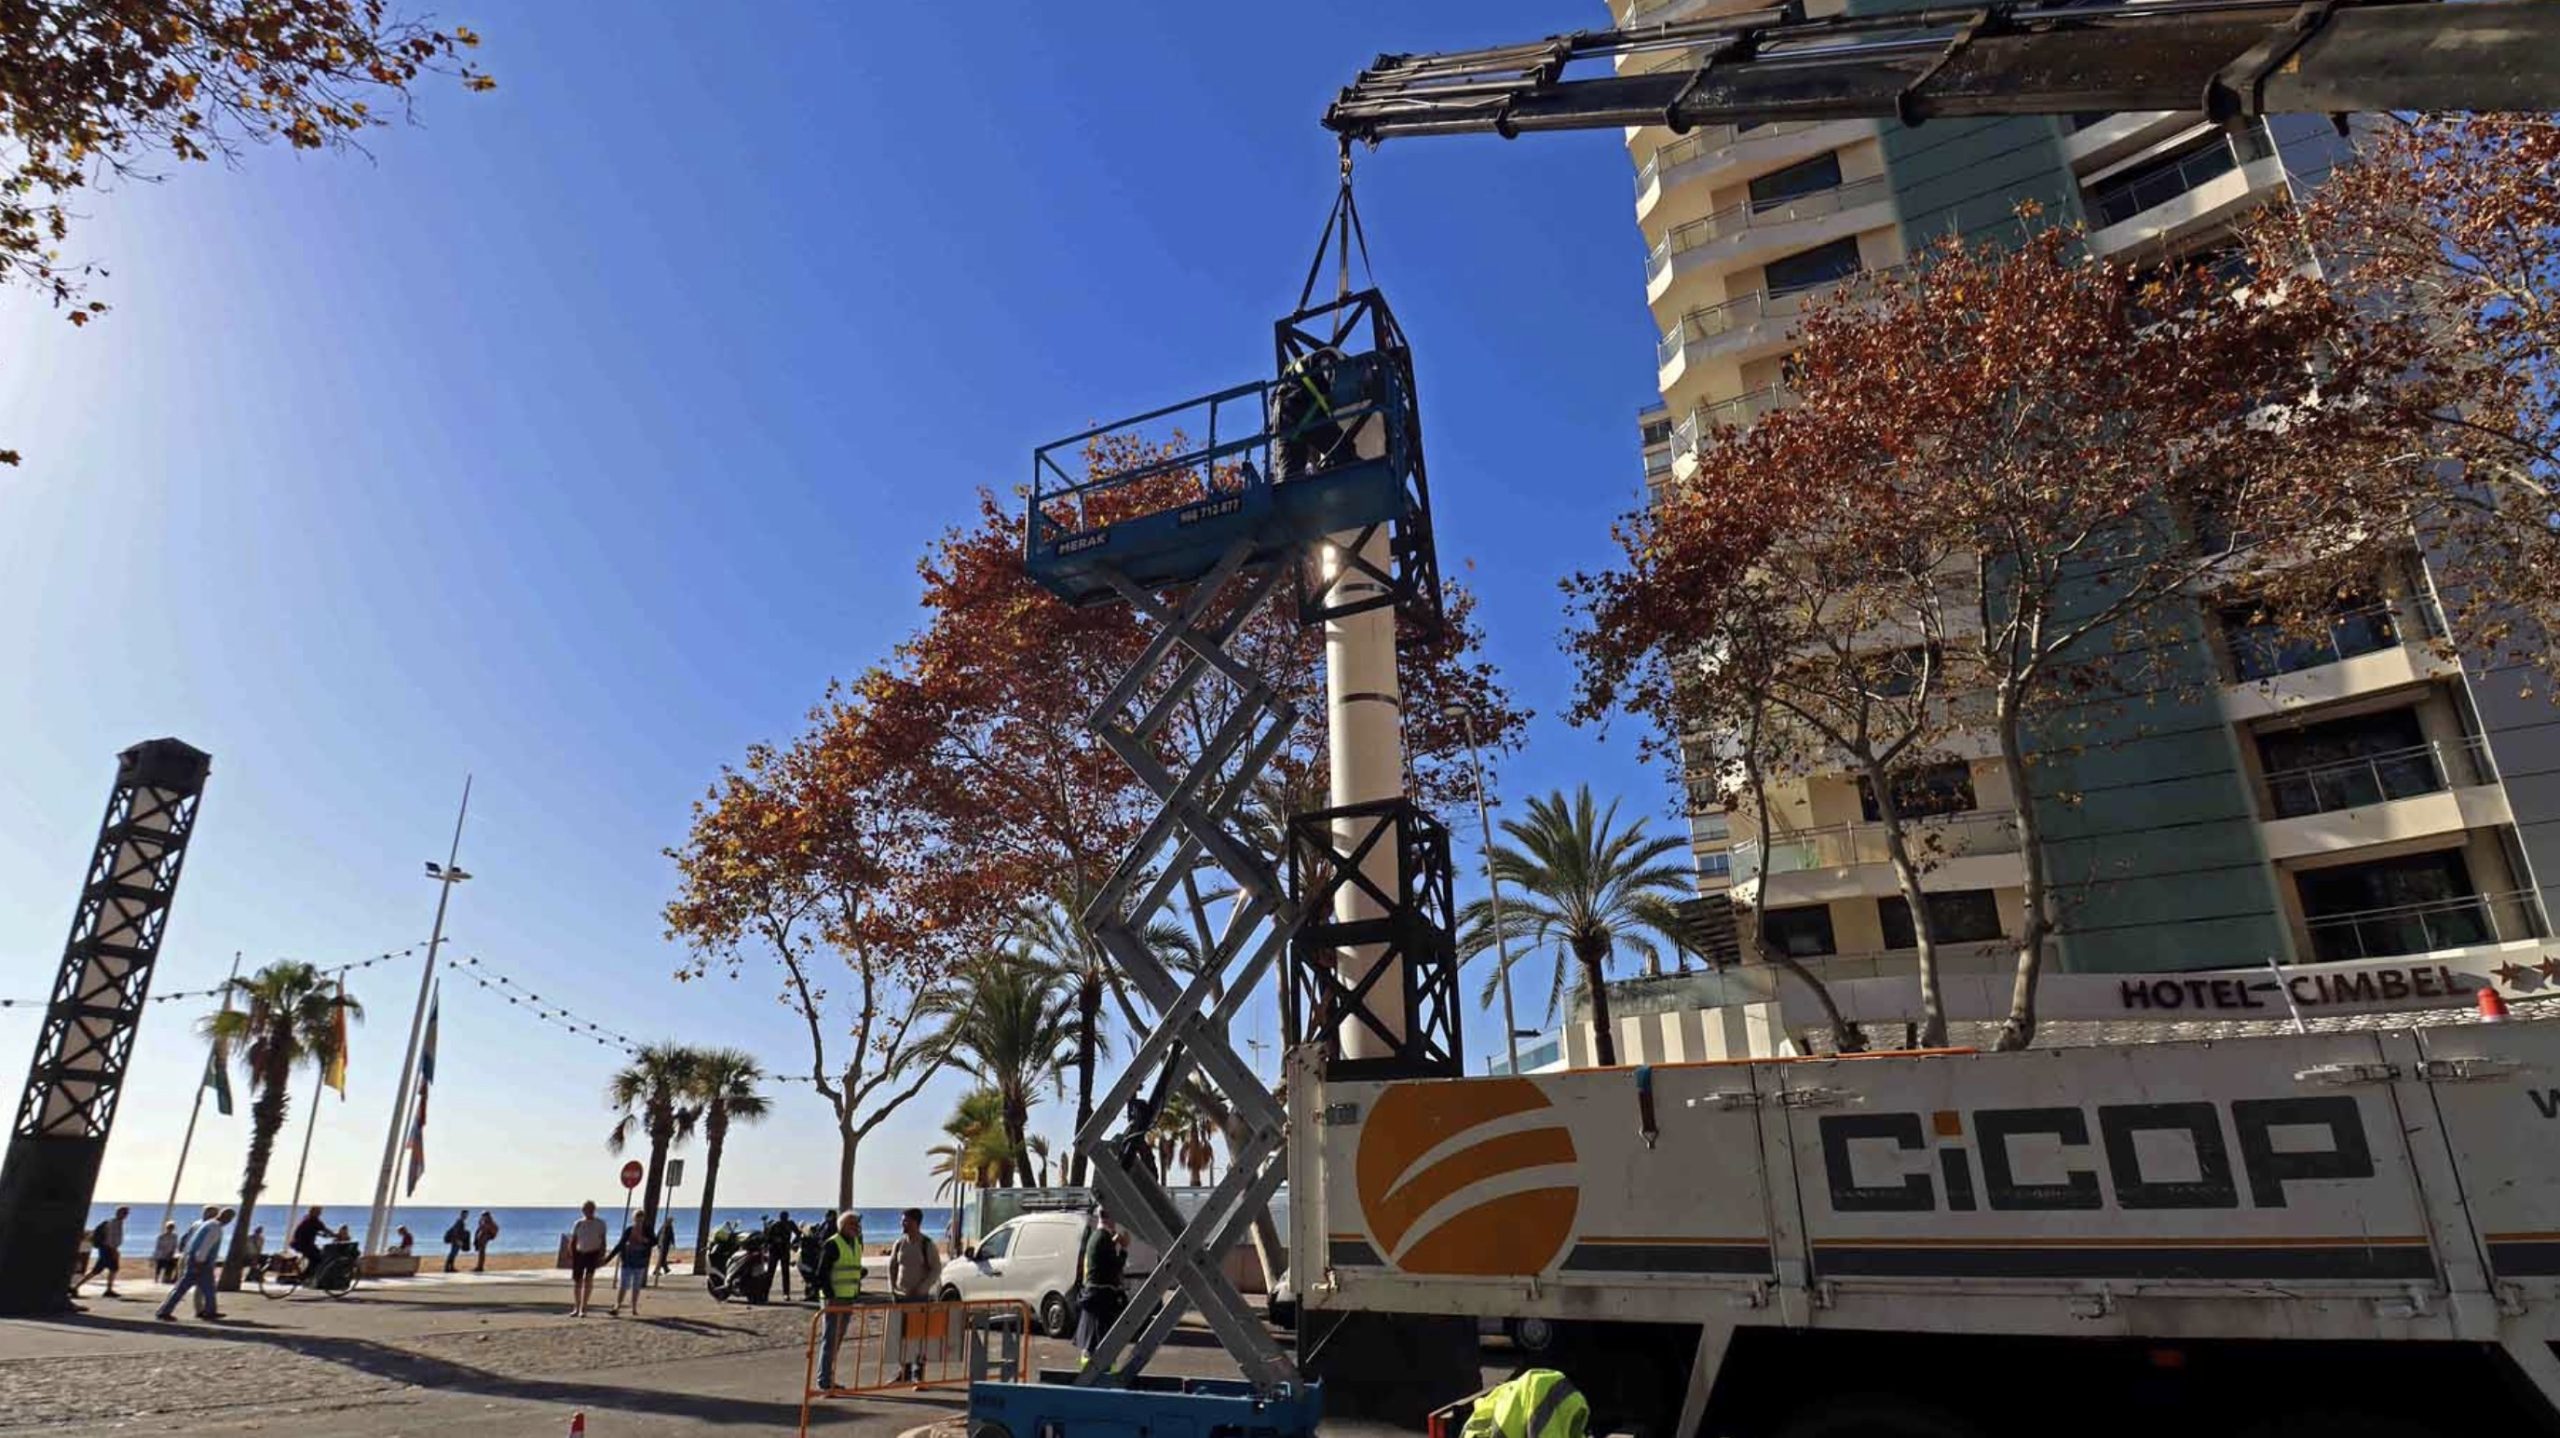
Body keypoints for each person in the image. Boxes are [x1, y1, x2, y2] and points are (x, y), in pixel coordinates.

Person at [888, 1207, 942, 1383]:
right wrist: (892, 1288)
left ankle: (919, 1374)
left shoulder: (927, 1244)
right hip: (901, 1297)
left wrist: (922, 1288)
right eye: (902, 1220)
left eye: (906, 1221)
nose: (903, 1224)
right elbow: (892, 1267)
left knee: (917, 1336)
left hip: (919, 1298)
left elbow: (936, 1269)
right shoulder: (899, 1243)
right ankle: (904, 1371)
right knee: (901, 1336)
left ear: (916, 1223)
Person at [814, 1210, 866, 1391]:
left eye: (857, 1224)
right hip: (833, 1300)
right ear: (843, 1226)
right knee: (830, 1340)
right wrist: (830, 1297)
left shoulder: (856, 1244)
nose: (856, 1228)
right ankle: (824, 1380)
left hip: (848, 1298)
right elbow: (821, 1274)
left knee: (837, 1340)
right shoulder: (833, 1244)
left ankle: (828, 1376)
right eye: (852, 1224)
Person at [156, 1205, 232, 1323]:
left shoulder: (208, 1224)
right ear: (227, 1218)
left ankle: (210, 1311)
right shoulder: (215, 1228)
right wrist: (199, 1261)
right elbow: (205, 1245)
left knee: (207, 1288)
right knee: (187, 1288)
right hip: (201, 1262)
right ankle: (164, 1311)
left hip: (196, 1260)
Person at [1075, 1207, 1129, 1365]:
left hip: (1092, 1293)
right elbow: (1115, 1266)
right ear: (1111, 1220)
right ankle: (1102, 1369)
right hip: (1101, 1297)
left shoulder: (1097, 1236)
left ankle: (1091, 1367)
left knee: (1091, 1338)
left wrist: (1114, 1243)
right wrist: (1124, 1248)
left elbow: (1101, 1258)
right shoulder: (1104, 1238)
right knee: (1102, 1337)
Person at [72, 1205, 129, 1299]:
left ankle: (108, 1289)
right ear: (120, 1213)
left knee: (112, 1269)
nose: (126, 1215)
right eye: (125, 1213)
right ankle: (76, 1287)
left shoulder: (117, 1222)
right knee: (97, 1270)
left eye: (126, 1213)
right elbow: (110, 1239)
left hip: (108, 1249)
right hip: (108, 1249)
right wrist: (114, 1251)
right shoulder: (113, 1223)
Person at [609, 1209, 655, 1317]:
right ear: (633, 1219)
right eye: (636, 1219)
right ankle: (617, 1306)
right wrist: (608, 1258)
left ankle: (634, 1307)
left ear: (643, 1219)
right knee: (623, 1284)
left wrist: (644, 1240)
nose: (638, 1222)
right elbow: (620, 1244)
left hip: (640, 1260)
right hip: (628, 1259)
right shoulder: (629, 1230)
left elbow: (654, 1241)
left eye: (640, 1219)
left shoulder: (647, 1230)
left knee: (636, 1285)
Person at [568, 1200, 609, 1317]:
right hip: (580, 1253)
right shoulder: (578, 1223)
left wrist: (602, 1255)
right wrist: (571, 1254)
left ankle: (584, 1307)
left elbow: (603, 1241)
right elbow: (573, 1240)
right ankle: (576, 1306)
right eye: (586, 1210)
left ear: (594, 1210)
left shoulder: (600, 1224)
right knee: (578, 1281)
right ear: (583, 1211)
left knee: (589, 1279)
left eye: (591, 1209)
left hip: (593, 1253)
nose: (588, 1212)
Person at [766, 1212, 801, 1300]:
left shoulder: (790, 1224)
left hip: (784, 1250)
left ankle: (786, 1293)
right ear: (780, 1217)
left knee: (785, 1273)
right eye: (783, 1217)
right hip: (774, 1251)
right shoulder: (775, 1225)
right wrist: (775, 1240)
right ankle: (765, 1292)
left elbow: (798, 1234)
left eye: (785, 1217)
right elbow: (768, 1238)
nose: (784, 1219)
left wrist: (794, 1243)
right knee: (770, 1273)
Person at [290, 1205, 329, 1279]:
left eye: (320, 1212)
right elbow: (325, 1230)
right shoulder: (315, 1221)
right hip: (304, 1244)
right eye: (318, 1212)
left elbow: (310, 1230)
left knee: (315, 1254)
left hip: (296, 1243)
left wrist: (320, 1234)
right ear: (314, 1212)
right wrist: (336, 1235)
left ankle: (306, 1273)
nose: (319, 1214)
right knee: (317, 1258)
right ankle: (306, 1275)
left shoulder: (306, 1218)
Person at [150, 1220, 180, 1285]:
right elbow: (158, 1247)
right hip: (161, 1255)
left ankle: (167, 1278)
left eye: (172, 1228)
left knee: (173, 1263)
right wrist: (163, 1253)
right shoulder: (161, 1237)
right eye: (169, 1227)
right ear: (166, 1228)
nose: (170, 1229)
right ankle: (157, 1278)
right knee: (160, 1264)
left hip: (170, 1254)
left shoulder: (174, 1236)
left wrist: (172, 1253)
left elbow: (175, 1246)